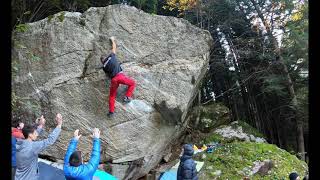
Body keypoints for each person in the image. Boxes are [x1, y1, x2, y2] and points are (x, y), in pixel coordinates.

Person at [15, 113, 63, 180]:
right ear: (30, 135)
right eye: (35, 133)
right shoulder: (32, 147)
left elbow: (31, 137)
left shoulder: (20, 143)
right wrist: (59, 124)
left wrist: (41, 125)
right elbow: (50, 140)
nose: (37, 134)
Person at [100, 36, 136, 118]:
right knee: (132, 83)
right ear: (106, 57)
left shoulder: (104, 67)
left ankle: (111, 112)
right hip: (120, 76)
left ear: (102, 62)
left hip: (113, 80)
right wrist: (112, 40)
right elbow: (114, 47)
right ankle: (127, 97)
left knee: (112, 96)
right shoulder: (111, 57)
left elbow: (108, 75)